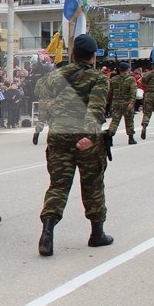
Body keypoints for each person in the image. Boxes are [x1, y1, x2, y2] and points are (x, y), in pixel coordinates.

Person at [37, 34, 113, 257]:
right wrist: (90, 135)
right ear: (93, 56)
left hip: (59, 135)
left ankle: (47, 233)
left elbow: (42, 98)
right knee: (93, 185)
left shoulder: (54, 77)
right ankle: (97, 234)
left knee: (58, 185)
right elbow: (96, 108)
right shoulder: (98, 79)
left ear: (72, 54)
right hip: (84, 138)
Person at [107, 62, 138, 145]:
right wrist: (132, 102)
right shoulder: (131, 79)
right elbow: (133, 92)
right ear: (127, 69)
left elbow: (110, 92)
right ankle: (131, 138)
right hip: (127, 102)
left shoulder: (113, 79)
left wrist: (109, 102)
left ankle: (110, 137)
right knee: (129, 121)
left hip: (116, 102)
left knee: (115, 121)